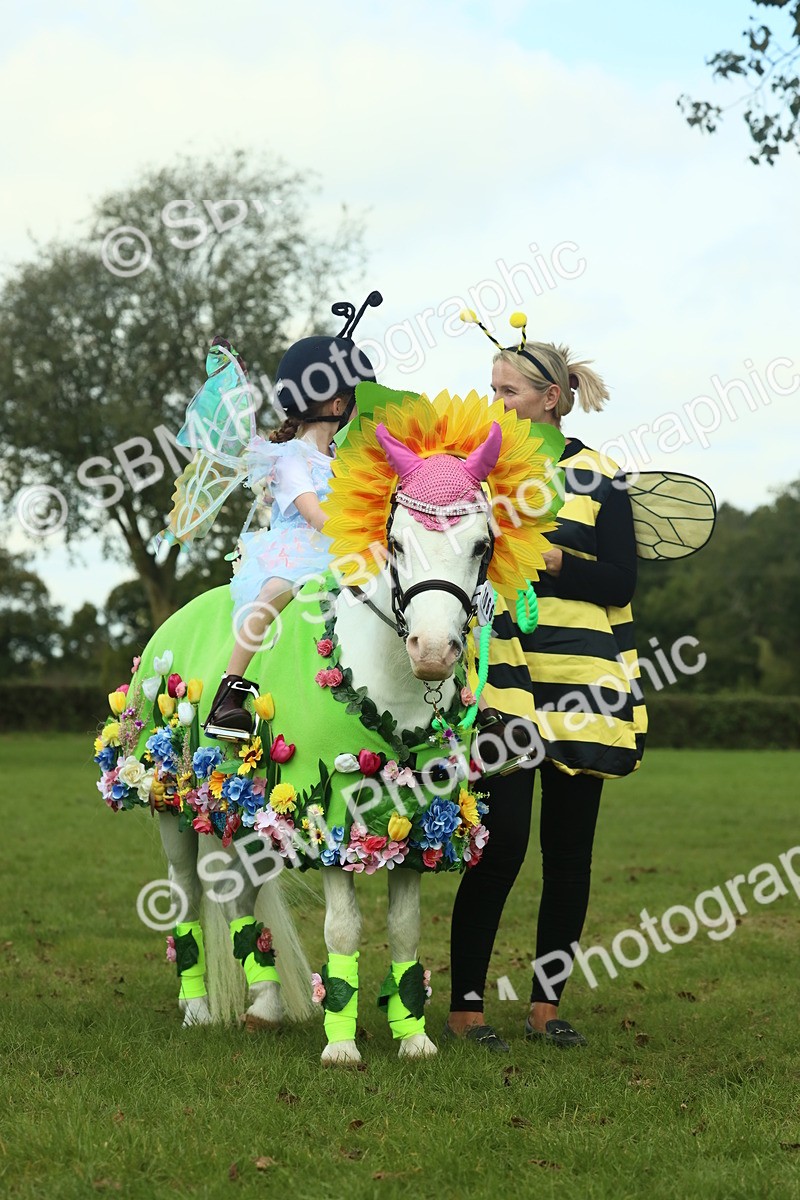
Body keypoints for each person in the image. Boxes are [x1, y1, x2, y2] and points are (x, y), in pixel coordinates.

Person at [444, 312, 646, 1051]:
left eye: (511, 391)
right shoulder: (475, 466)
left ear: (552, 399)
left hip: (583, 679)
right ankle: (466, 1008)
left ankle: (544, 1009)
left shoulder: (599, 478)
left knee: (568, 855)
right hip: (503, 675)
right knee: (501, 847)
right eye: (491, 388)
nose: (496, 401)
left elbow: (623, 579)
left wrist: (557, 562)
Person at [203, 295, 381, 740]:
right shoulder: (286, 458)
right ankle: (229, 692)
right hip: (301, 547)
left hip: (345, 547)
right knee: (275, 590)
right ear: (340, 406)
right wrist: (362, 534)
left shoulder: (346, 457)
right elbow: (316, 516)